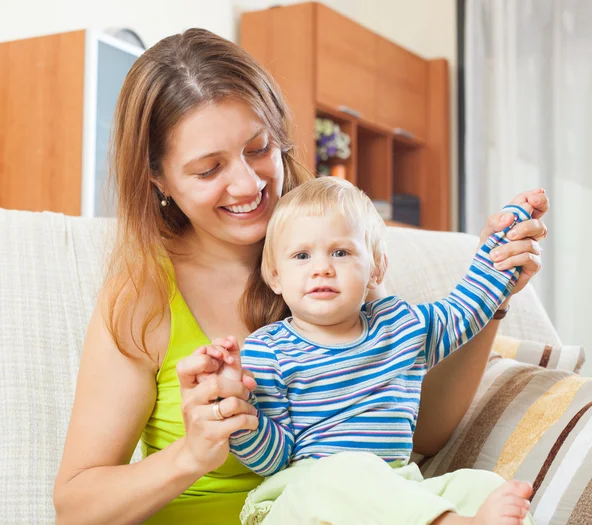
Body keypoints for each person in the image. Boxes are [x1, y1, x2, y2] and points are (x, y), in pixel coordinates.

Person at [53, 28, 549, 524]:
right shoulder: (144, 295)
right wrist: (192, 455)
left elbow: (422, 432)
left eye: (258, 147)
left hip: (369, 505)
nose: (248, 184)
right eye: (208, 170)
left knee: (483, 491)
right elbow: (75, 509)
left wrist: (495, 293)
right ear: (157, 178)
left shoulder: (333, 251)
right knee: (339, 474)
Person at [202, 176, 535, 525]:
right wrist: (237, 412)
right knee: (346, 469)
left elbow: (464, 309)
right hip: (301, 500)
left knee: (482, 485)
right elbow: (271, 459)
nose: (322, 268)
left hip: (394, 491)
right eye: (301, 255)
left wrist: (504, 242)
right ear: (275, 276)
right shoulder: (267, 350)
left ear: (376, 269)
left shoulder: (399, 327)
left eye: (341, 252)